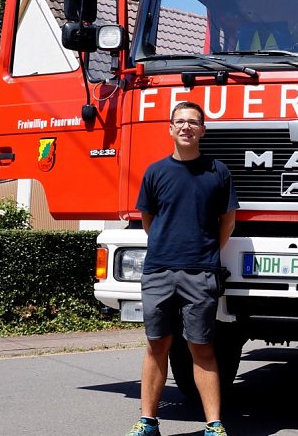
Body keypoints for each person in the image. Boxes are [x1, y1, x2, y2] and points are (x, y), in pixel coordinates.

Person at [127, 101, 239, 436]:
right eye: (180, 121)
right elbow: (148, 221)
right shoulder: (156, 172)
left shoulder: (218, 172)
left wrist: (202, 253)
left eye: (193, 122)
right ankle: (148, 422)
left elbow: (228, 223)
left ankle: (214, 425)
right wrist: (168, 247)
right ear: (171, 128)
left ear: (203, 130)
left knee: (201, 347)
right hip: (159, 270)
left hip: (201, 272)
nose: (186, 127)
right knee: (156, 345)